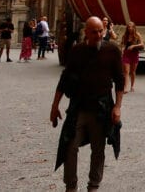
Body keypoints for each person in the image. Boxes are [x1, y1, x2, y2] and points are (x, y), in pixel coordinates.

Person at [50, 16, 124, 192]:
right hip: (79, 108)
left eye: (101, 31)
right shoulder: (77, 51)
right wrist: (54, 106)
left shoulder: (112, 50)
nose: (98, 35)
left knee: (98, 150)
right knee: (69, 146)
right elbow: (65, 79)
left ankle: (93, 186)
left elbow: (120, 80)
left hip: (101, 108)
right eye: (94, 32)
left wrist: (118, 106)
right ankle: (71, 186)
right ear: (86, 32)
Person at [120, 22, 145, 93]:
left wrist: (134, 46)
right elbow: (122, 44)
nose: (130, 28)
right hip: (126, 54)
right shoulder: (125, 35)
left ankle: (132, 86)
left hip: (134, 54)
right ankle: (125, 87)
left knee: (133, 72)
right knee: (126, 71)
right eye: (128, 27)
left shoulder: (137, 35)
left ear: (134, 27)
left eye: (131, 27)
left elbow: (142, 44)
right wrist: (122, 50)